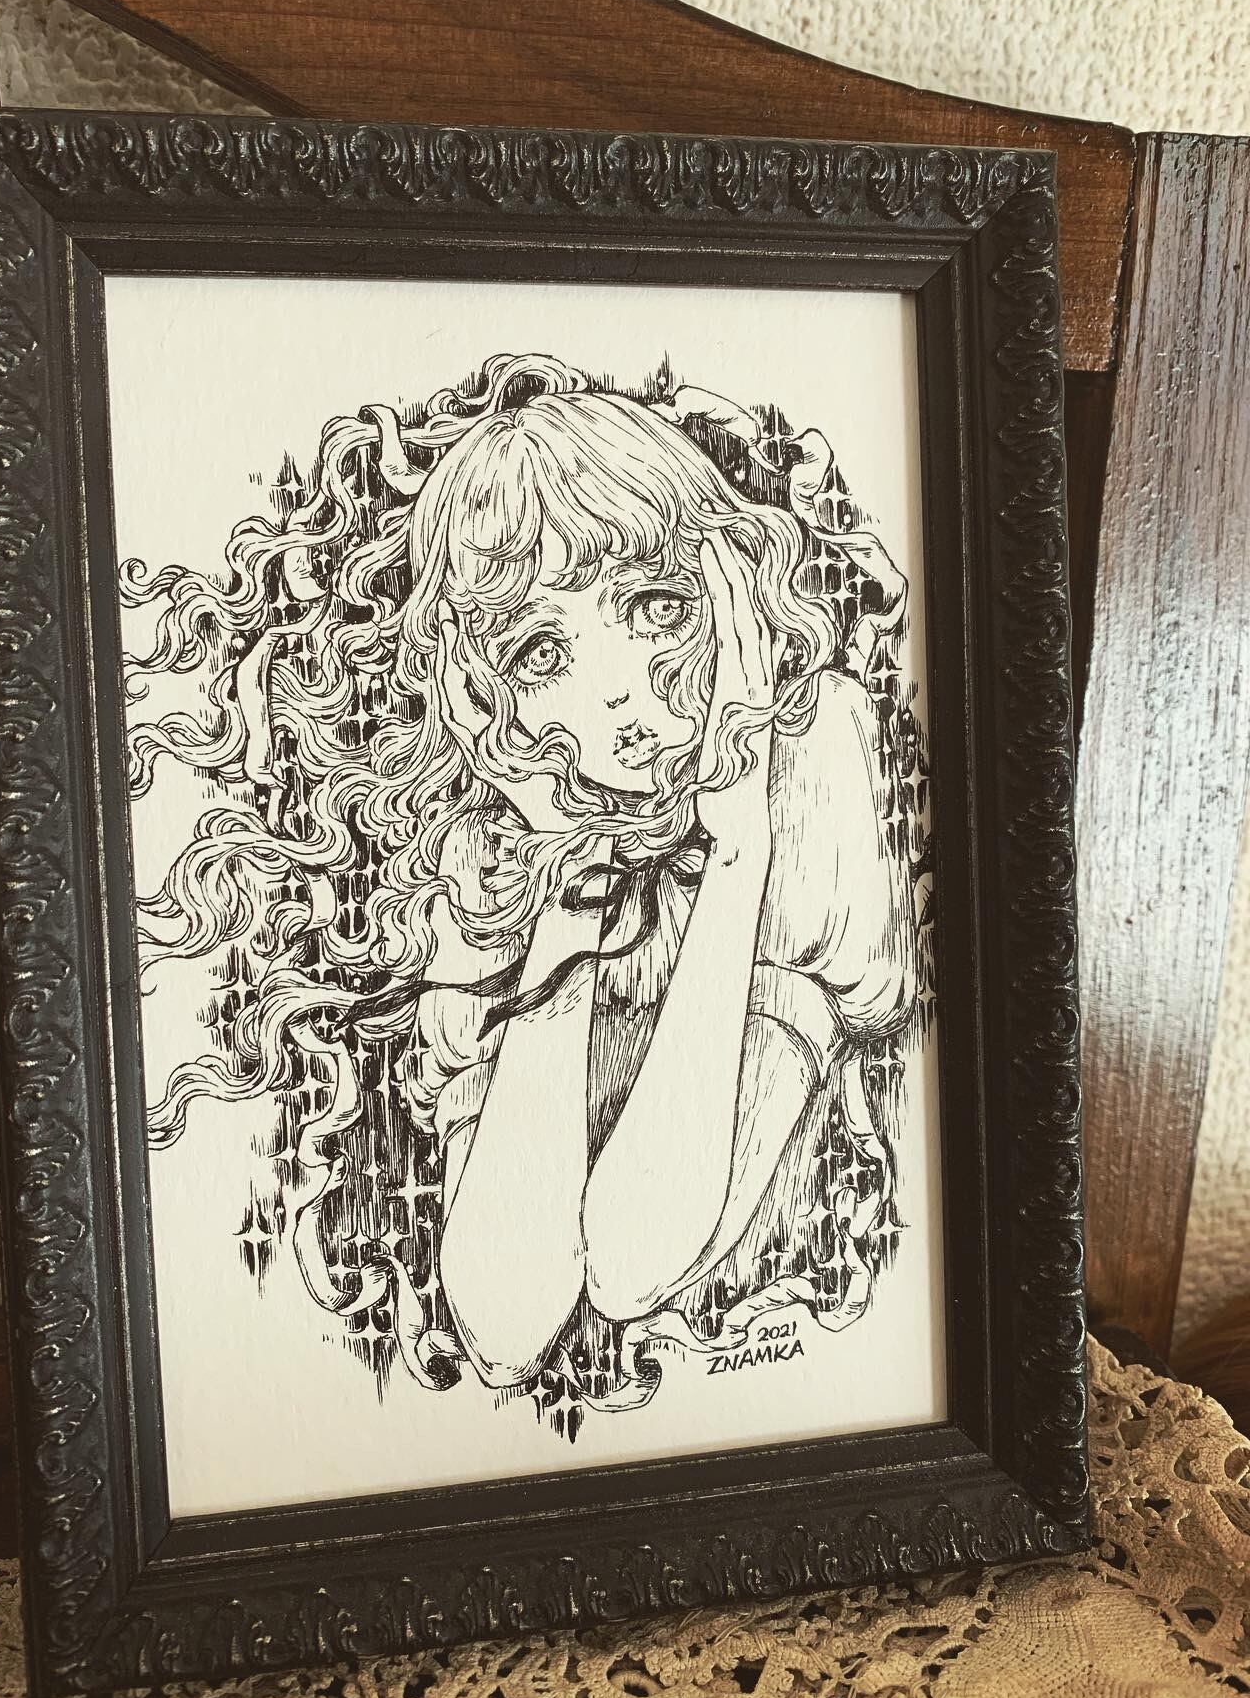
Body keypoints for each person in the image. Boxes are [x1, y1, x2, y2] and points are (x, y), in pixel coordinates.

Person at [127, 352, 921, 1411]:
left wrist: (737, 854)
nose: (622, 694)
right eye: (544, 654)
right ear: (480, 688)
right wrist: (564, 912)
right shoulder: (494, 843)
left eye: (654, 607)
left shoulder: (816, 751)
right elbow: (503, 1326)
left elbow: (633, 1265)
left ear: (727, 589)